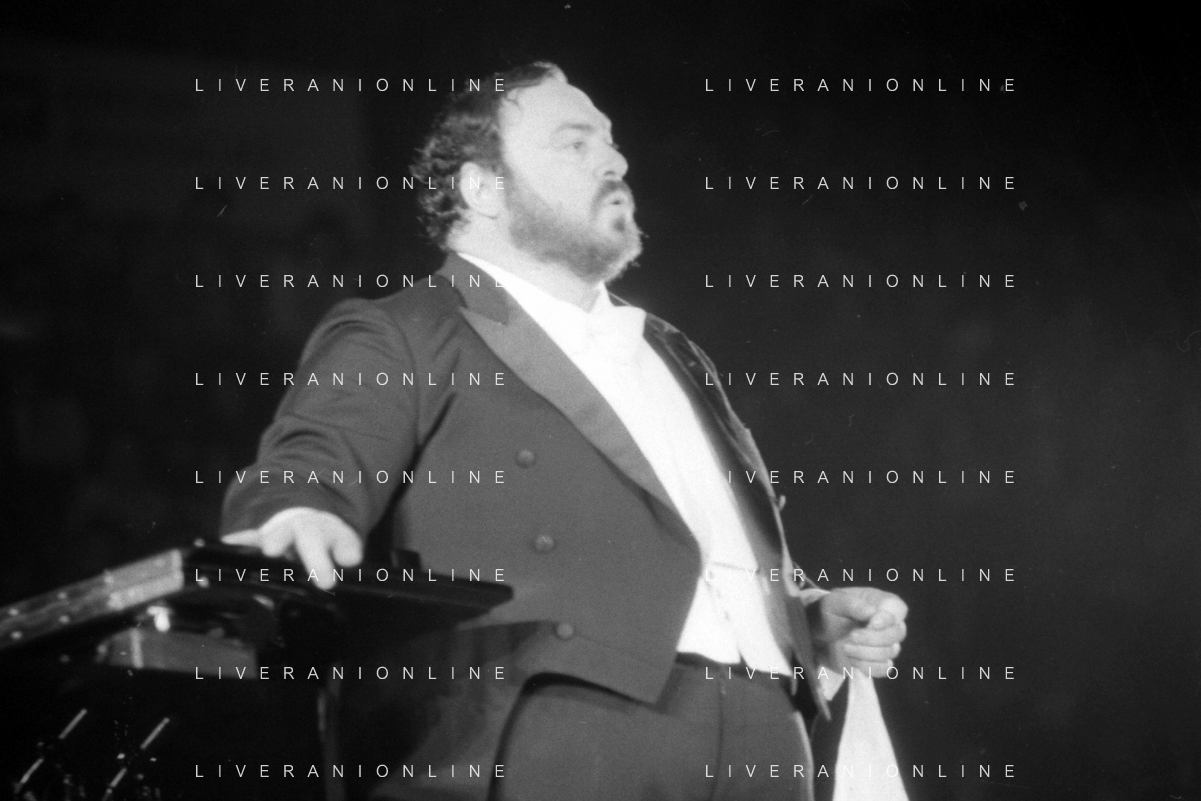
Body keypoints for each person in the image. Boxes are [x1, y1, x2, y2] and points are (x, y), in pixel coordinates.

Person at [222, 61, 908, 801]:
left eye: (609, 142)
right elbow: (312, 463)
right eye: (574, 143)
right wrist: (296, 513)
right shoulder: (408, 329)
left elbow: (705, 543)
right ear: (481, 188)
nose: (614, 161)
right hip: (561, 718)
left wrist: (808, 619)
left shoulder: (676, 353)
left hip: (768, 733)